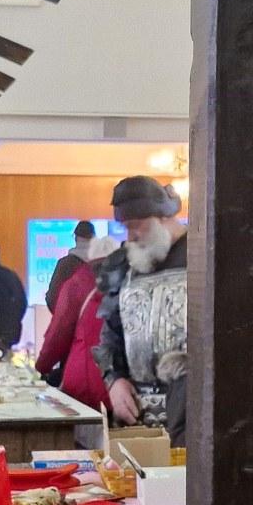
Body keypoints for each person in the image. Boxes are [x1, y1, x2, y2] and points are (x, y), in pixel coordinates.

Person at [93, 175, 189, 441]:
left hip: (194, 404)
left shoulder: (205, 254)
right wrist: (114, 379)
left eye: (137, 225)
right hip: (139, 408)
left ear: (164, 217)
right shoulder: (124, 263)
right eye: (125, 227)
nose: (130, 235)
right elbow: (110, 332)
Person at [35, 235, 118, 411]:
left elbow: (59, 332)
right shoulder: (129, 280)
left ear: (89, 257)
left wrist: (42, 366)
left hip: (87, 379)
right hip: (122, 385)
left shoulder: (78, 281)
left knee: (86, 435)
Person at [45, 220, 96, 310]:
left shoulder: (65, 264)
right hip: (94, 320)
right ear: (93, 237)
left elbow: (52, 297)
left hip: (70, 320)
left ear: (76, 238)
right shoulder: (102, 263)